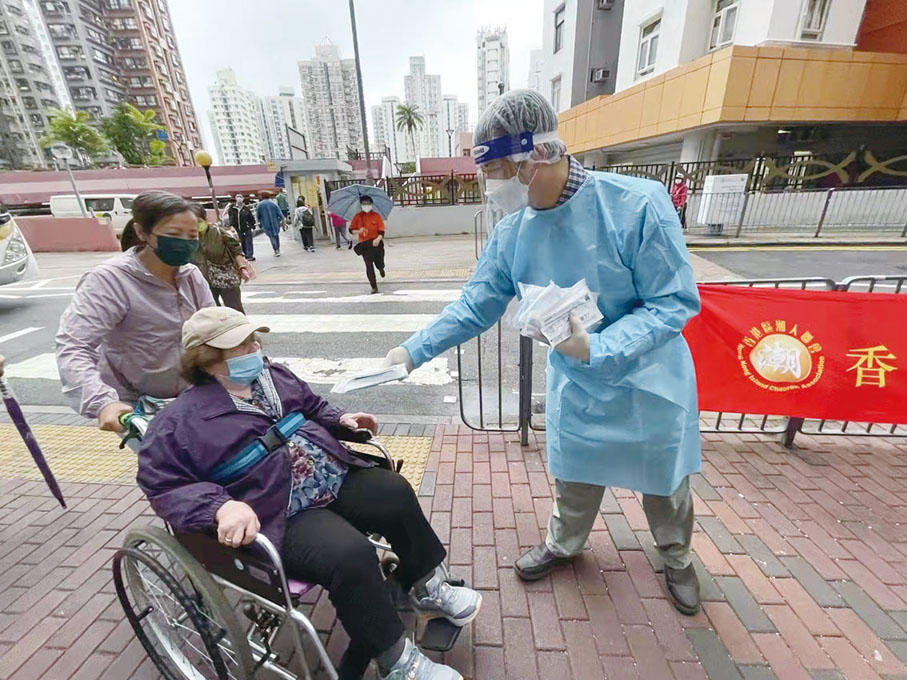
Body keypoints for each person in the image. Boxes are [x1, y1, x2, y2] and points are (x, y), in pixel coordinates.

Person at [383, 89, 703, 616]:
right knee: (575, 472)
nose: (492, 187)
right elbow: (476, 303)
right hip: (578, 382)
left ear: (534, 156)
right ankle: (564, 543)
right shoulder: (513, 232)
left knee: (665, 481)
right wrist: (411, 351)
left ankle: (676, 556)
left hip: (648, 377)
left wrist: (599, 346)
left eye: (496, 172)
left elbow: (672, 302)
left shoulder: (637, 205)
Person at [137, 307, 480, 680]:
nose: (253, 348)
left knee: (393, 491)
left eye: (253, 339)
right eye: (240, 345)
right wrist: (221, 507)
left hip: (329, 475)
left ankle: (426, 586)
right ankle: (396, 662)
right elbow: (163, 483)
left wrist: (341, 420)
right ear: (206, 359)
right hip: (277, 508)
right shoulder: (178, 422)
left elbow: (314, 407)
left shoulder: (275, 376)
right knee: (350, 554)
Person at [56, 190, 215, 432]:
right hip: (136, 407)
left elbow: (214, 329)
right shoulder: (109, 280)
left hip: (193, 396)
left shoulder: (191, 275)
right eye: (174, 234)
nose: (185, 242)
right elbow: (74, 346)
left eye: (192, 235)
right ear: (142, 232)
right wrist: (103, 403)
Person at [192, 204, 255, 312]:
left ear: (205, 219)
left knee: (234, 310)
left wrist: (242, 267)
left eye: (198, 221)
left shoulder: (218, 232)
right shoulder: (188, 238)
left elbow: (236, 250)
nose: (195, 225)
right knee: (211, 312)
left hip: (226, 278)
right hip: (203, 280)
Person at [349, 196, 386, 294]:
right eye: (364, 204)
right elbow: (351, 230)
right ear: (361, 205)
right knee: (369, 266)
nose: (366, 206)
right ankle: (373, 286)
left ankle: (381, 268)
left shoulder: (376, 216)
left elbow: (381, 230)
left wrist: (378, 239)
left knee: (379, 262)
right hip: (365, 245)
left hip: (376, 244)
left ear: (371, 204)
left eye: (368, 203)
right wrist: (358, 231)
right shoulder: (357, 217)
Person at [226, 194, 256, 261]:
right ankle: (244, 254)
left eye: (240, 197)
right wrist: (232, 226)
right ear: (235, 198)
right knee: (242, 242)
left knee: (249, 241)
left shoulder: (246, 208)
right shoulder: (232, 209)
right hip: (238, 228)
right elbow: (231, 218)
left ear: (243, 199)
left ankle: (249, 255)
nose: (239, 198)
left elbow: (251, 217)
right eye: (238, 197)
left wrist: (253, 226)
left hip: (247, 227)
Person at [256, 191, 284, 257]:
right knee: (276, 236)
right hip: (275, 222)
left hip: (265, 223)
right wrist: (283, 220)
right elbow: (280, 213)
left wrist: (259, 223)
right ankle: (278, 249)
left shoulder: (259, 205)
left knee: (271, 237)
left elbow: (258, 216)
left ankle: (275, 250)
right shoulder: (273, 203)